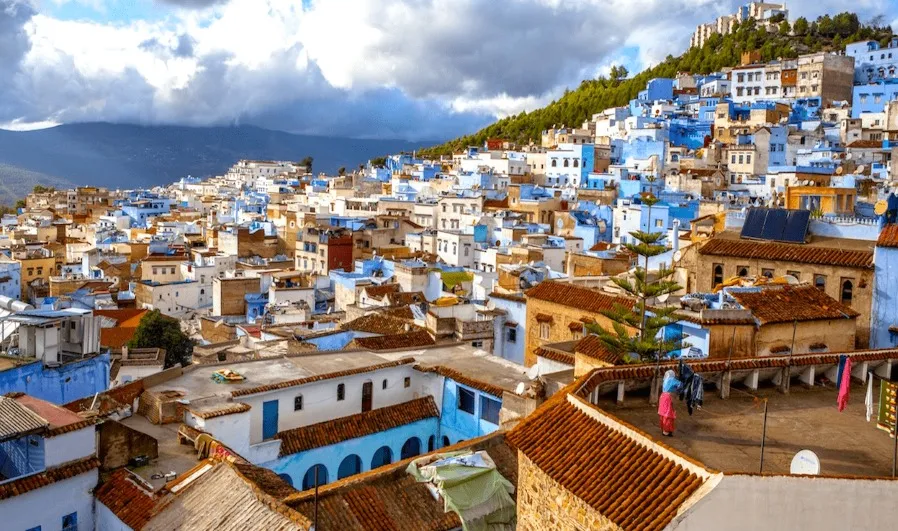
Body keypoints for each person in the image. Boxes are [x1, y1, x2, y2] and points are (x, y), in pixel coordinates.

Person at [659, 370, 680, 437]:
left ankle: (664, 430)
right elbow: (680, 385)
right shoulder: (672, 380)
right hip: (668, 397)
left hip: (662, 397)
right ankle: (666, 431)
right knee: (668, 415)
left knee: (663, 414)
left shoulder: (665, 380)